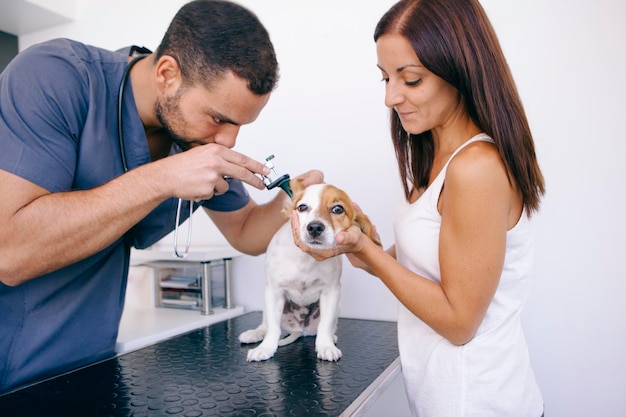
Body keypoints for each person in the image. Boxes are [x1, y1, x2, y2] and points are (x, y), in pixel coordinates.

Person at [0, 0, 321, 393]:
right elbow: (9, 252)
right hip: (11, 366)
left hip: (89, 362)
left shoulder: (193, 138)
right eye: (220, 118)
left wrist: (298, 201)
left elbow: (245, 231)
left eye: (239, 125)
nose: (229, 140)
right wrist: (162, 179)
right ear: (167, 73)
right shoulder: (55, 76)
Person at [292, 0, 545, 416]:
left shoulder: (476, 168)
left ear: (459, 70)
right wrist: (354, 241)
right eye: (385, 78)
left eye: (410, 80)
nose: (391, 97)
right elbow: (413, 268)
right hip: (442, 399)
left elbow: (459, 322)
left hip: (479, 402)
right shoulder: (437, 157)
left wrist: (367, 251)